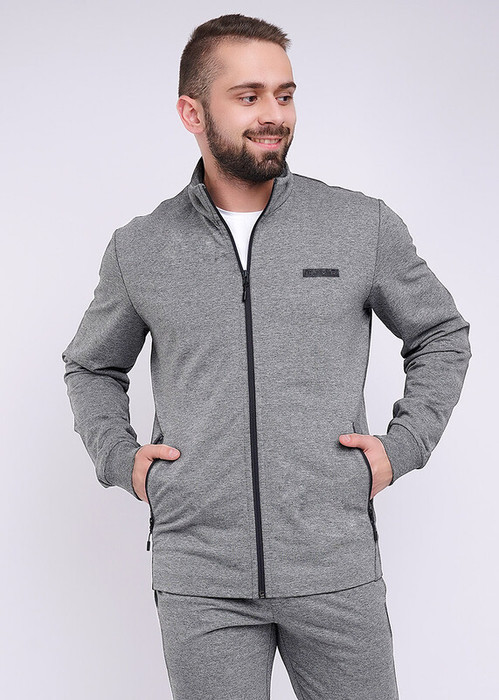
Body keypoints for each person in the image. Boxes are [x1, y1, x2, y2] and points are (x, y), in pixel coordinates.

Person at [61, 13, 472, 700]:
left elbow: (441, 334)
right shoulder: (142, 247)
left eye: (284, 95)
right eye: (248, 96)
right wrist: (121, 459)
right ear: (192, 112)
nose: (273, 114)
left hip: (334, 565)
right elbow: (91, 366)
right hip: (200, 576)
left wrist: (402, 447)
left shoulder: (358, 225)